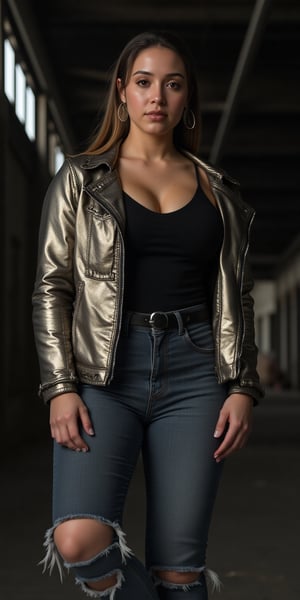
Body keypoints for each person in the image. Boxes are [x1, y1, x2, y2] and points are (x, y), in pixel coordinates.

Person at [32, 30, 264, 600]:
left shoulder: (220, 193)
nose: (157, 95)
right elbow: (51, 288)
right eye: (143, 82)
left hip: (197, 371)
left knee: (180, 570)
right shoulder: (81, 181)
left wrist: (242, 386)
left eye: (173, 84)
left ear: (187, 100)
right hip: (101, 376)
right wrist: (60, 386)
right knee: (79, 538)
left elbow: (237, 296)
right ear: (122, 93)